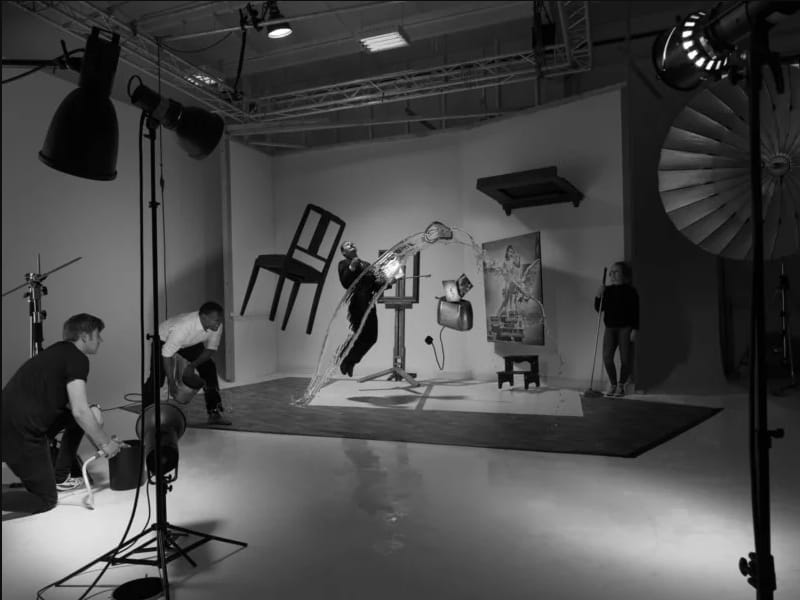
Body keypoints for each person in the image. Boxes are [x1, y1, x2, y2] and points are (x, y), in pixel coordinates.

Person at [2, 313, 127, 514]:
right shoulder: (78, 358)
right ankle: (50, 481)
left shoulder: (58, 352)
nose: (100, 340)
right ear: (84, 336)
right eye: (97, 335)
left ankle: (60, 477)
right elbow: (79, 411)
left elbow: (70, 405)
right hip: (22, 432)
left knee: (83, 417)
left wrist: (93, 410)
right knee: (45, 500)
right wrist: (105, 444)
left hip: (9, 421)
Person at [142, 301, 231, 425]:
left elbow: (211, 349)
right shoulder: (183, 327)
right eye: (216, 320)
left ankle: (214, 413)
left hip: (189, 342)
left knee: (208, 367)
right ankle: (147, 414)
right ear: (204, 317)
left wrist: (192, 366)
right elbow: (166, 355)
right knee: (157, 378)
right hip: (163, 338)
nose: (219, 323)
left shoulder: (216, 325)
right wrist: (172, 382)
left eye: (220, 320)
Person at [337, 241, 386, 377]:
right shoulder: (343, 264)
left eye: (352, 243)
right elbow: (346, 283)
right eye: (347, 245)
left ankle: (349, 361)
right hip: (358, 301)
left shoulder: (367, 264)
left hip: (369, 302)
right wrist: (352, 267)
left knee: (371, 337)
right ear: (343, 252)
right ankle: (344, 358)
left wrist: (385, 282)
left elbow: (375, 286)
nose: (351, 244)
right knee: (360, 333)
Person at [594, 261, 639, 396]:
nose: (612, 275)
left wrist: (635, 329)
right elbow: (599, 309)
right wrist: (598, 295)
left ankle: (621, 385)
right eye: (611, 273)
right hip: (610, 328)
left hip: (626, 328)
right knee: (607, 357)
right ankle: (613, 384)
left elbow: (636, 312)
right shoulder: (607, 290)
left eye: (616, 272)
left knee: (625, 359)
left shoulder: (631, 291)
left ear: (624, 275)